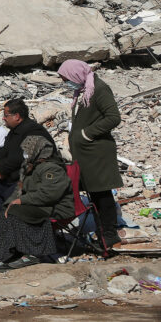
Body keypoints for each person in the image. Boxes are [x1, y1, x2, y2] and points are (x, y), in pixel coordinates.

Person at [58, 59, 123, 249]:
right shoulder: (85, 90)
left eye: (66, 79)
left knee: (102, 194)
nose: (66, 83)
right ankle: (102, 234)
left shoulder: (99, 89)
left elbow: (113, 117)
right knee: (94, 195)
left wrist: (87, 134)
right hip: (87, 154)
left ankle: (109, 235)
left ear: (76, 74)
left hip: (97, 153)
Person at [0, 135, 73, 271]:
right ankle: (9, 256)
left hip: (56, 206)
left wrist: (22, 201)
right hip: (37, 204)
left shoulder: (52, 168)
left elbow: (50, 194)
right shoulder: (31, 167)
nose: (26, 154)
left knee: (18, 213)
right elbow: (19, 189)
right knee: (5, 213)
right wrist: (9, 204)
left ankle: (32, 254)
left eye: (28, 151)